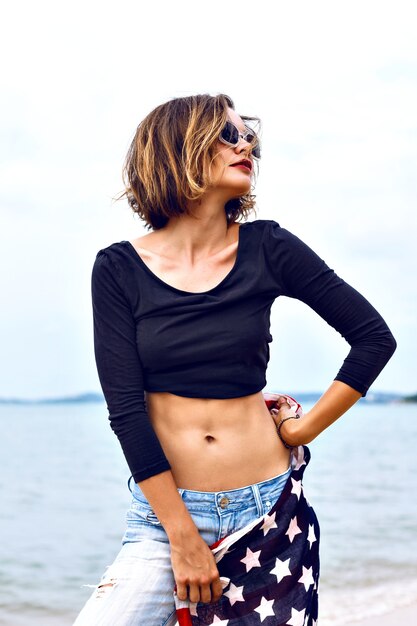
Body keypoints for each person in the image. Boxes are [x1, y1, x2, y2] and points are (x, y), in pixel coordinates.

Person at [73, 93, 396, 625]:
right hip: (167, 517)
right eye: (228, 135)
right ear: (178, 149)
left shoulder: (270, 246)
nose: (246, 144)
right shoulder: (117, 269)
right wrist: (181, 535)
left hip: (272, 514)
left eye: (249, 137)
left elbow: (372, 338)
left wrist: (303, 430)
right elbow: (126, 410)